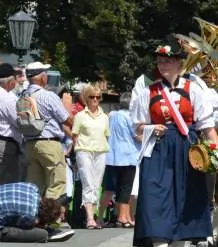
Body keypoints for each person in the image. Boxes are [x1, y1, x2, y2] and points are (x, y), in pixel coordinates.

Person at [132, 43, 218, 247]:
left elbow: (207, 127)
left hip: (186, 150)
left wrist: (217, 153)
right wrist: (151, 128)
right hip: (157, 150)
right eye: (160, 61)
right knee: (156, 201)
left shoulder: (194, 90)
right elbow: (137, 129)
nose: (162, 65)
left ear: (180, 63)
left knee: (184, 202)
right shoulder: (147, 92)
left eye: (168, 60)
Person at [21, 62, 73, 202]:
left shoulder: (23, 96)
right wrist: (68, 108)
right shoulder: (48, 96)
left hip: (29, 145)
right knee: (56, 184)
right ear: (42, 77)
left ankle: (33, 213)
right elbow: (67, 120)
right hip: (49, 144)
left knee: (34, 186)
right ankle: (50, 214)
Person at [72, 84, 110, 229]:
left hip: (101, 151)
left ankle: (94, 216)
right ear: (86, 98)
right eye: (92, 97)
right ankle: (90, 218)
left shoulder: (104, 117)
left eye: (98, 97)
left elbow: (106, 135)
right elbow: (75, 136)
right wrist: (75, 157)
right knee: (88, 183)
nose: (95, 99)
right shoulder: (80, 116)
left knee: (96, 184)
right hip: (84, 151)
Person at [102, 92, 138, 228]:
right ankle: (122, 217)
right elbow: (136, 136)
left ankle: (102, 217)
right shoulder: (131, 117)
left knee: (110, 188)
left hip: (112, 156)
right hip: (128, 156)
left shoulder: (112, 115)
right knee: (125, 188)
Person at [0, 182, 74, 242]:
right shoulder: (30, 216)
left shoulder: (33, 187)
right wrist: (37, 224)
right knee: (42, 234)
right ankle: (48, 234)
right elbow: (24, 224)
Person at [0, 63, 23, 184]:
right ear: (11, 81)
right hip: (5, 145)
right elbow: (19, 122)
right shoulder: (8, 98)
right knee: (7, 184)